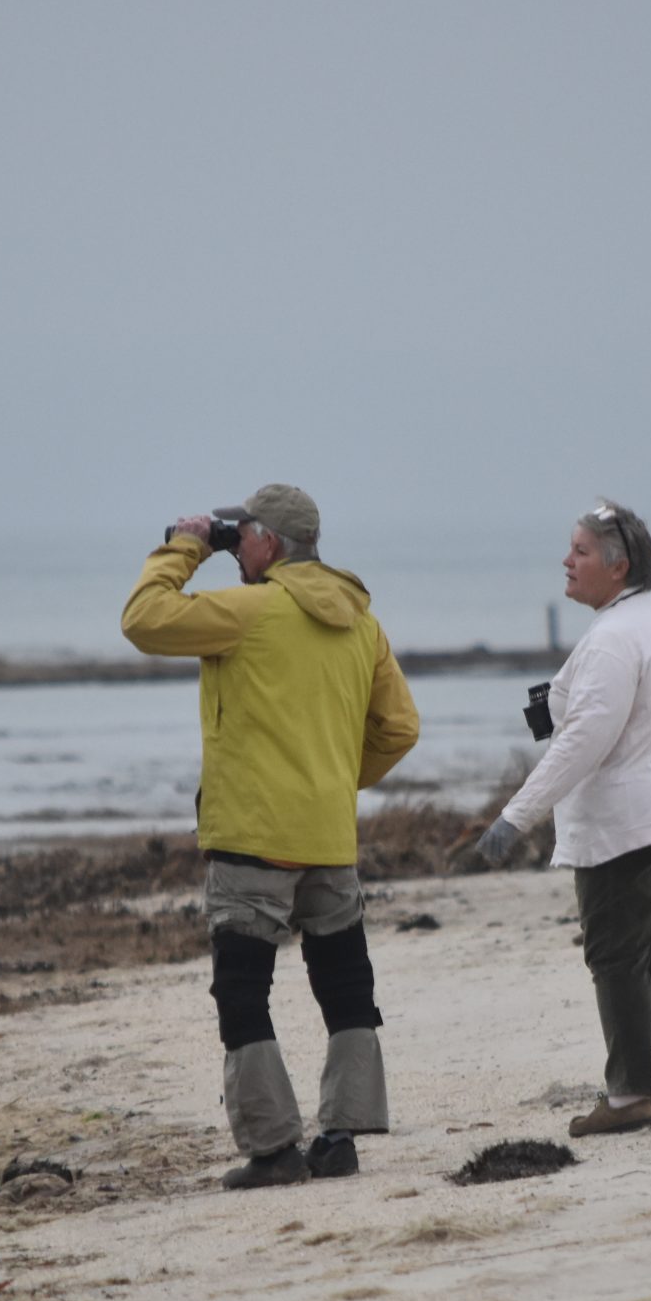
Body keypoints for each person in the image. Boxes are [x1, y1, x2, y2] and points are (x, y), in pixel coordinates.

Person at [121, 483, 420, 1190]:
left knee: (243, 989)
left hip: (255, 834)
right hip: (328, 834)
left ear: (270, 544)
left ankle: (273, 1146)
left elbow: (143, 619)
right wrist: (335, 781)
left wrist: (186, 545)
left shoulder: (251, 610)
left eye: (242, 535)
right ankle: (341, 1132)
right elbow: (401, 729)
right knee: (345, 982)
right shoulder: (362, 622)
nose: (237, 548)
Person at [477, 499, 651, 1136]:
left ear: (617, 568)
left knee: (618, 958)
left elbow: (583, 740)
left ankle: (627, 1099)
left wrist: (514, 818)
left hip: (631, 822)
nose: (567, 562)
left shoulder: (615, 638)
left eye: (580, 552)